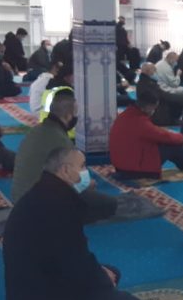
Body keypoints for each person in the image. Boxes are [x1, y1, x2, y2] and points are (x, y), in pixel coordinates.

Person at [3, 147, 144, 300]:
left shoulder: (42, 193)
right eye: (82, 166)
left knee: (112, 272)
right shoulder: (59, 207)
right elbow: (73, 266)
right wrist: (102, 280)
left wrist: (101, 274)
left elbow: (68, 257)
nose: (86, 172)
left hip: (27, 299)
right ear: (66, 170)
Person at [12, 89, 118, 222]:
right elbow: (75, 182)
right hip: (40, 204)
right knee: (109, 204)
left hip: (20, 198)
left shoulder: (36, 130)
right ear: (68, 116)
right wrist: (87, 185)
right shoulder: (60, 140)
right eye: (75, 114)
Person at [109, 88, 183, 179]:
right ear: (148, 107)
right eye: (154, 108)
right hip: (135, 168)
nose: (154, 111)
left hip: (122, 165)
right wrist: (182, 137)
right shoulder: (140, 122)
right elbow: (164, 136)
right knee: (173, 145)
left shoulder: (124, 115)